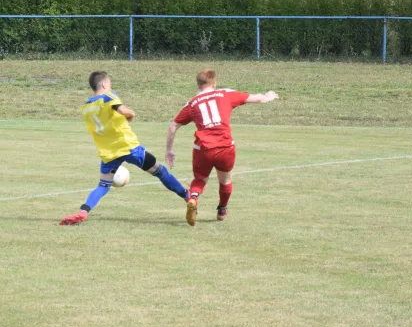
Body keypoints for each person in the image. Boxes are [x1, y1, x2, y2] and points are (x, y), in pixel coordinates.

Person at [60, 71, 189, 225]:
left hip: (108, 152)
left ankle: (83, 211)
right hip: (128, 147)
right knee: (160, 171)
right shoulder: (109, 96)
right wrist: (131, 114)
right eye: (109, 83)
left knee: (103, 185)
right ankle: (188, 196)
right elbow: (123, 110)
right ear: (103, 84)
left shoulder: (86, 107)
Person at [165, 68, 279, 226]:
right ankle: (222, 210)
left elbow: (173, 127)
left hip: (203, 149)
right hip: (225, 147)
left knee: (199, 179)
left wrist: (169, 150)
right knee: (225, 180)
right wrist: (268, 96)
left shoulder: (191, 103)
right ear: (215, 83)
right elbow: (257, 99)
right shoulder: (225, 94)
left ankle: (193, 198)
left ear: (198, 85)